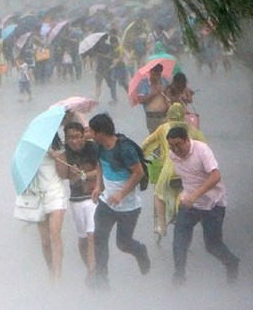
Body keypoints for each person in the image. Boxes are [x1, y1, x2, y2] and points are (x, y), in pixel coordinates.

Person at [166, 127, 240, 286]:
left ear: (187, 140)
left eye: (178, 144)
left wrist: (195, 195)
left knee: (212, 245)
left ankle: (232, 262)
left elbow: (216, 176)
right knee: (179, 239)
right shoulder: (173, 155)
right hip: (190, 204)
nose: (176, 150)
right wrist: (181, 194)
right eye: (171, 146)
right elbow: (184, 177)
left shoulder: (201, 150)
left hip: (213, 203)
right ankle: (179, 276)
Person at [89, 113, 151, 288]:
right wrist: (98, 187)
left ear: (101, 132)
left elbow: (138, 173)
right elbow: (100, 164)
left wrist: (121, 194)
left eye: (93, 132)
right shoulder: (99, 147)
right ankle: (102, 280)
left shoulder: (125, 149)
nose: (91, 136)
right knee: (99, 238)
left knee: (123, 244)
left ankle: (140, 251)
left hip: (128, 207)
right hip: (106, 203)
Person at [141, 103, 205, 241]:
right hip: (189, 170)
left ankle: (162, 226)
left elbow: (146, 144)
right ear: (182, 115)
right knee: (188, 194)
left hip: (170, 169)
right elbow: (205, 148)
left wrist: (142, 155)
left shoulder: (163, 128)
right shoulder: (192, 130)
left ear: (168, 115)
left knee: (159, 194)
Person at [57, 122, 99, 280]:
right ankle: (90, 267)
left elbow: (101, 170)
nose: (74, 141)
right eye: (70, 138)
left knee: (91, 234)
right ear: (66, 139)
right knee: (82, 238)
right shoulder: (64, 152)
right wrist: (59, 159)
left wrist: (83, 175)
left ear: (83, 135)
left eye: (77, 137)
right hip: (76, 199)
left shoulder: (93, 148)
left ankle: (92, 273)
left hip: (93, 198)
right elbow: (63, 176)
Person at [32, 135, 68, 281]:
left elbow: (64, 174)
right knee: (45, 240)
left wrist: (55, 156)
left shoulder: (59, 149)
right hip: (38, 197)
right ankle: (51, 271)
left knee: (55, 234)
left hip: (56, 194)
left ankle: (57, 276)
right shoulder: (32, 153)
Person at [136, 63, 170, 134]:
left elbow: (170, 94)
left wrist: (165, 93)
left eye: (159, 74)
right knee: (155, 139)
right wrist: (154, 93)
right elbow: (141, 100)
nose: (157, 77)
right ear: (150, 72)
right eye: (155, 73)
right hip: (152, 117)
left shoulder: (164, 81)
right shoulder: (143, 83)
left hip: (165, 116)